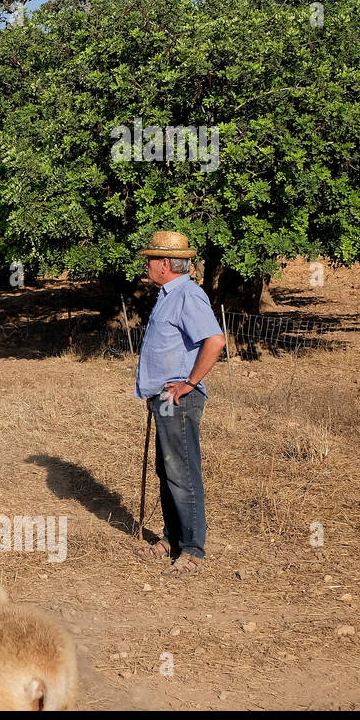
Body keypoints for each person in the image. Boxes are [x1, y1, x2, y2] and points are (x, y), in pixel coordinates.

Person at [133, 231, 227, 577]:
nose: (146, 265)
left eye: (150, 259)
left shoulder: (188, 294)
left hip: (178, 400)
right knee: (167, 468)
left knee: (182, 469)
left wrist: (188, 383)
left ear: (164, 264)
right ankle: (172, 538)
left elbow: (215, 341)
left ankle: (192, 549)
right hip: (165, 398)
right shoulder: (169, 294)